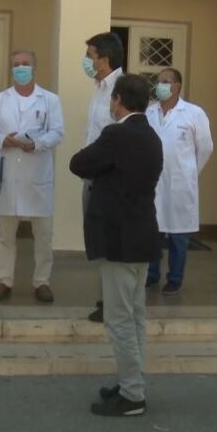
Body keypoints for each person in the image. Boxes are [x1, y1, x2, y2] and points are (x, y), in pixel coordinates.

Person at [70, 74, 163, 417]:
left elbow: (79, 163)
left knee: (119, 318)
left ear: (119, 99)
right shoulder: (152, 136)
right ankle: (131, 382)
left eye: (112, 98)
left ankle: (133, 394)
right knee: (135, 315)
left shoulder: (116, 134)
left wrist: (103, 170)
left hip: (118, 237)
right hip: (142, 234)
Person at [0, 50, 65, 303]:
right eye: (16, 64)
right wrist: (4, 140)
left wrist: (37, 144)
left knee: (43, 235)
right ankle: (4, 280)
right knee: (6, 235)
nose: (20, 68)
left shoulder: (50, 99)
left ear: (34, 67)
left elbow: (57, 132)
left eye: (25, 64)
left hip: (37, 174)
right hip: (9, 174)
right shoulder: (1, 99)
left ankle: (42, 281)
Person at [143, 68, 213, 296]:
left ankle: (175, 278)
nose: (160, 85)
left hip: (180, 183)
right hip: (154, 182)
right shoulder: (149, 112)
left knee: (178, 235)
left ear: (177, 86)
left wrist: (190, 171)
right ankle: (151, 275)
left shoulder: (193, 113)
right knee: (152, 232)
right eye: (158, 81)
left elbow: (205, 148)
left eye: (166, 81)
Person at [82, 32, 125, 322]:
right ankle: (106, 299)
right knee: (99, 241)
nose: (86, 61)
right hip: (93, 178)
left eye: (90, 56)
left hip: (111, 181)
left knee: (112, 242)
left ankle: (114, 303)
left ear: (104, 60)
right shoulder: (98, 88)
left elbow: (122, 138)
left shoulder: (122, 90)